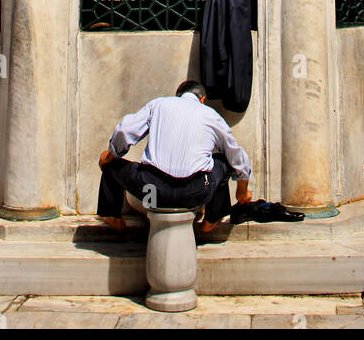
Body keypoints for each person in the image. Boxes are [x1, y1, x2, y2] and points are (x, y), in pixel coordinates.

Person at [97, 80, 252, 234]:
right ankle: (212, 219)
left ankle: (112, 215)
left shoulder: (158, 105)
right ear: (202, 99)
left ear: (178, 96)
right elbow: (237, 155)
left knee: (110, 163)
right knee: (223, 160)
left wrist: (110, 155)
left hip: (151, 192)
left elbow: (124, 131)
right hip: (195, 194)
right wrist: (242, 191)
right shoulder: (211, 116)